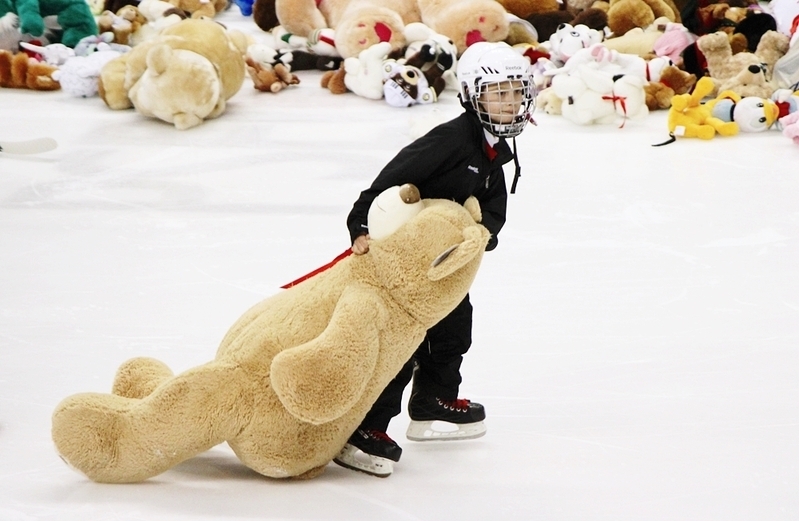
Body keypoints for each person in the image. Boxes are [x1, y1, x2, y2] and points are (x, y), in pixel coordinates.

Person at [333, 41, 537, 477]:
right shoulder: (448, 141)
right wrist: (360, 227)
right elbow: (381, 189)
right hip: (403, 270)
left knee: (453, 334)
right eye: (499, 93)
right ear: (472, 95)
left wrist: (484, 235)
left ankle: (432, 403)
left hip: (445, 269)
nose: (512, 102)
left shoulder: (496, 152)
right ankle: (365, 429)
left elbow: (494, 209)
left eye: (517, 92)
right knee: (402, 346)